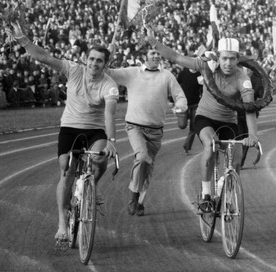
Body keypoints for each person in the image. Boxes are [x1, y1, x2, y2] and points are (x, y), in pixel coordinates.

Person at [10, 22, 118, 246]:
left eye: (99, 61)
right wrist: (22, 39)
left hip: (94, 130)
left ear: (106, 64)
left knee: (100, 158)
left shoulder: (109, 85)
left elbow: (109, 112)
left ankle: (92, 186)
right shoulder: (73, 69)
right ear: (86, 60)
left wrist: (112, 141)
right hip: (69, 127)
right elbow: (44, 57)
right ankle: (62, 222)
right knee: (67, 170)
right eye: (91, 59)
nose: (94, 64)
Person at [147, 33, 258, 211]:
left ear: (238, 59)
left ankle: (227, 192)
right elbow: (176, 57)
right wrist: (154, 42)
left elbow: (249, 108)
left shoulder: (243, 78)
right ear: (218, 56)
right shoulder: (206, 66)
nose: (227, 63)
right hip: (205, 117)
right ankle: (206, 195)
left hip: (229, 121)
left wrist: (253, 136)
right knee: (211, 144)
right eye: (224, 58)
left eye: (232, 59)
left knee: (235, 160)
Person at [107, 46, 187, 216]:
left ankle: (140, 201)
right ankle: (132, 200)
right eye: (152, 53)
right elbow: (108, 72)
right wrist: (110, 54)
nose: (157, 55)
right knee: (142, 157)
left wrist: (180, 107)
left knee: (147, 167)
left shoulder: (167, 76)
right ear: (145, 56)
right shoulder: (132, 73)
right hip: (134, 126)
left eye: (158, 53)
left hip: (156, 130)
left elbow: (180, 96)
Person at [176, 62, 203, 155]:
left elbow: (202, 89)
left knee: (194, 127)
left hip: (196, 104)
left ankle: (186, 146)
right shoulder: (183, 73)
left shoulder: (200, 75)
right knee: (182, 125)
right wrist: (173, 99)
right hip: (184, 103)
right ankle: (182, 116)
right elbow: (175, 85)